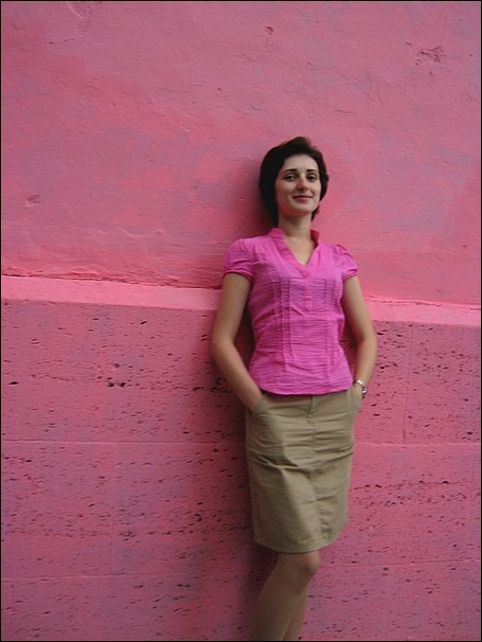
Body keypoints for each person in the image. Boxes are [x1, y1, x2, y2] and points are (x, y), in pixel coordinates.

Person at [210, 136, 377, 641]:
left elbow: (366, 335)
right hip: (276, 415)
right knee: (302, 559)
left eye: (311, 176)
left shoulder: (339, 258)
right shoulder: (250, 252)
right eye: (290, 176)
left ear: (322, 188)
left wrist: (357, 391)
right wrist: (257, 405)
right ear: (273, 188)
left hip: (334, 415)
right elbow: (221, 340)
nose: (303, 184)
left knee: (305, 555)